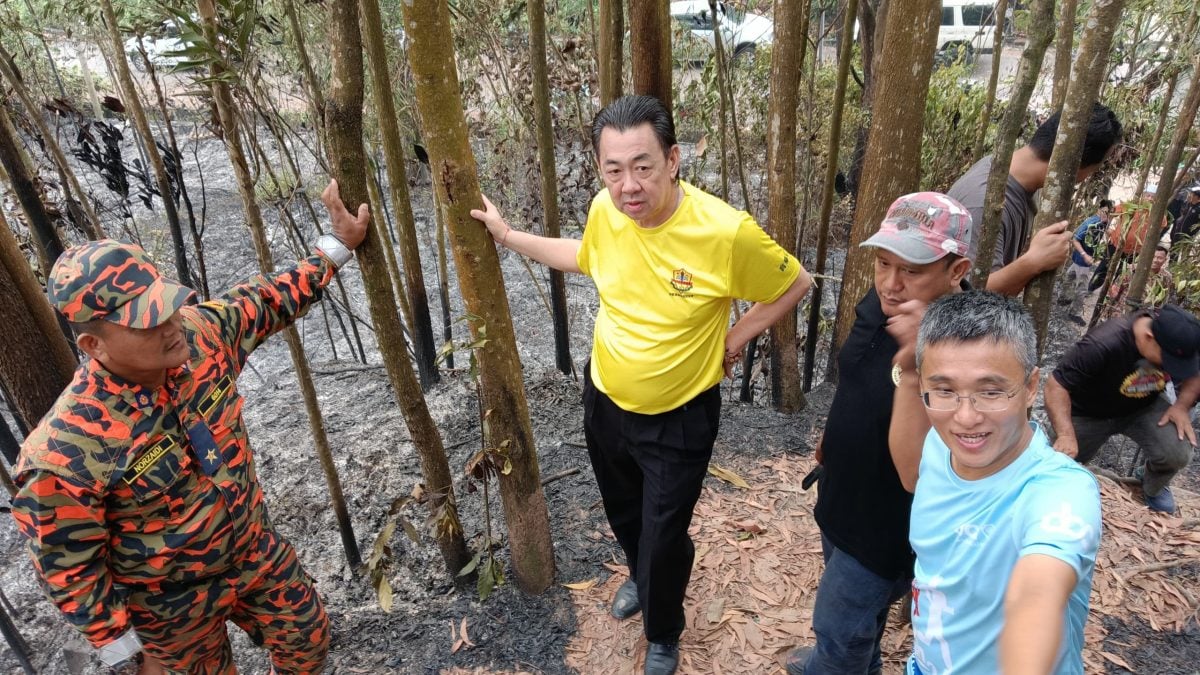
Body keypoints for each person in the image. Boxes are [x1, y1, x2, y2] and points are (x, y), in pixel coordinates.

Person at [471, 94, 811, 675]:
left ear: (673, 159)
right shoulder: (608, 210)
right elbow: (585, 256)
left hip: (679, 415)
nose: (629, 184)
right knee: (627, 515)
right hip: (604, 399)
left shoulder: (724, 232)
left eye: (643, 165)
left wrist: (734, 339)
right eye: (614, 169)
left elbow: (794, 283)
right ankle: (644, 575)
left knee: (663, 534)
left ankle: (664, 630)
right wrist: (508, 236)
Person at [11, 180, 370, 674]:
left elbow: (268, 300)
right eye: (146, 321)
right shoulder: (64, 451)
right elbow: (72, 573)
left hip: (252, 550)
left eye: (166, 305)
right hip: (169, 609)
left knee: (307, 642)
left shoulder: (201, 335)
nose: (169, 325)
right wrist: (132, 658)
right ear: (94, 345)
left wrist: (338, 246)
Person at [785, 193, 975, 675]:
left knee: (838, 626)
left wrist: (920, 359)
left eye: (911, 269)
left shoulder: (968, 351)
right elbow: (857, 373)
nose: (891, 284)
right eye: (883, 263)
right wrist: (833, 437)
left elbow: (917, 474)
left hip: (889, 525)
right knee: (854, 625)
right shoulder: (885, 301)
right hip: (843, 491)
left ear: (957, 271)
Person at [890, 291, 1102, 673]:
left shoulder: (1060, 491)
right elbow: (911, 478)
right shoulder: (940, 446)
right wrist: (907, 377)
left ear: (1031, 387)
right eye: (945, 390)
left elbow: (1037, 593)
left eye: (991, 392)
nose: (966, 417)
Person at [947, 103, 1122, 296]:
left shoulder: (1016, 177)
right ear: (1075, 164)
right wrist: (1033, 262)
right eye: (1095, 169)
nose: (1089, 176)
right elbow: (967, 296)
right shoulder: (982, 201)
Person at [1045, 304, 1200, 513]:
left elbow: (1194, 374)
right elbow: (1056, 386)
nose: (1173, 367)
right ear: (1148, 337)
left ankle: (1153, 485)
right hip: (1089, 413)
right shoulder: (1104, 343)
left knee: (1178, 453)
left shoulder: (1179, 342)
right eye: (1169, 360)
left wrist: (1181, 407)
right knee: (1059, 460)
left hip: (1143, 407)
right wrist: (1066, 434)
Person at [1064, 199, 1112, 317]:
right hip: (1083, 259)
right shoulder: (1090, 223)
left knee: (1070, 277)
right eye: (1105, 212)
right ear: (1098, 210)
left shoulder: (1103, 222)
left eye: (1109, 213)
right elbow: (1075, 239)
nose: (1106, 215)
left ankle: (1063, 298)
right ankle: (1074, 313)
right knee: (1082, 289)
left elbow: (1105, 232)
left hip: (1081, 258)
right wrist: (1085, 255)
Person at [1101, 243, 1173, 320]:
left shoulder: (1166, 277)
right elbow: (1115, 291)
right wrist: (1105, 313)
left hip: (1143, 317)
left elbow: (1162, 300)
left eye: (1159, 258)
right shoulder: (1132, 270)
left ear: (1165, 260)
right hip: (1121, 312)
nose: (1155, 260)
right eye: (1153, 256)